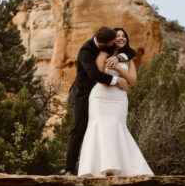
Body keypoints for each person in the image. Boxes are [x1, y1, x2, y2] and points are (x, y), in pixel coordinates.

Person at [77, 27, 153, 177]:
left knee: (118, 128)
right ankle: (97, 169)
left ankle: (124, 168)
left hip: (119, 100)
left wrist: (117, 66)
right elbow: (99, 76)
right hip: (101, 97)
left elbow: (131, 81)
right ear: (111, 40)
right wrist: (117, 80)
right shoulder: (103, 53)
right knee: (100, 127)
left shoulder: (128, 58)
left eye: (123, 36)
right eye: (117, 36)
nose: (120, 38)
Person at [63, 26, 128, 175]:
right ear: (104, 44)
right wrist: (116, 80)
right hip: (82, 93)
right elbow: (94, 75)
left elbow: (129, 51)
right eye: (112, 43)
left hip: (101, 97)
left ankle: (99, 166)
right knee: (79, 128)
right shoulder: (86, 51)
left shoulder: (108, 42)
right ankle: (68, 170)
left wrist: (117, 57)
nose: (115, 44)